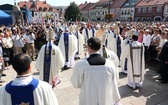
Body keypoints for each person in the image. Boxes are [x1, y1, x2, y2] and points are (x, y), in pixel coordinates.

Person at [71, 37, 121, 105]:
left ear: (88, 47)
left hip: (88, 98)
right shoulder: (110, 64)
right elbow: (114, 82)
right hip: (105, 99)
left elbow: (75, 83)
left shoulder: (81, 65)